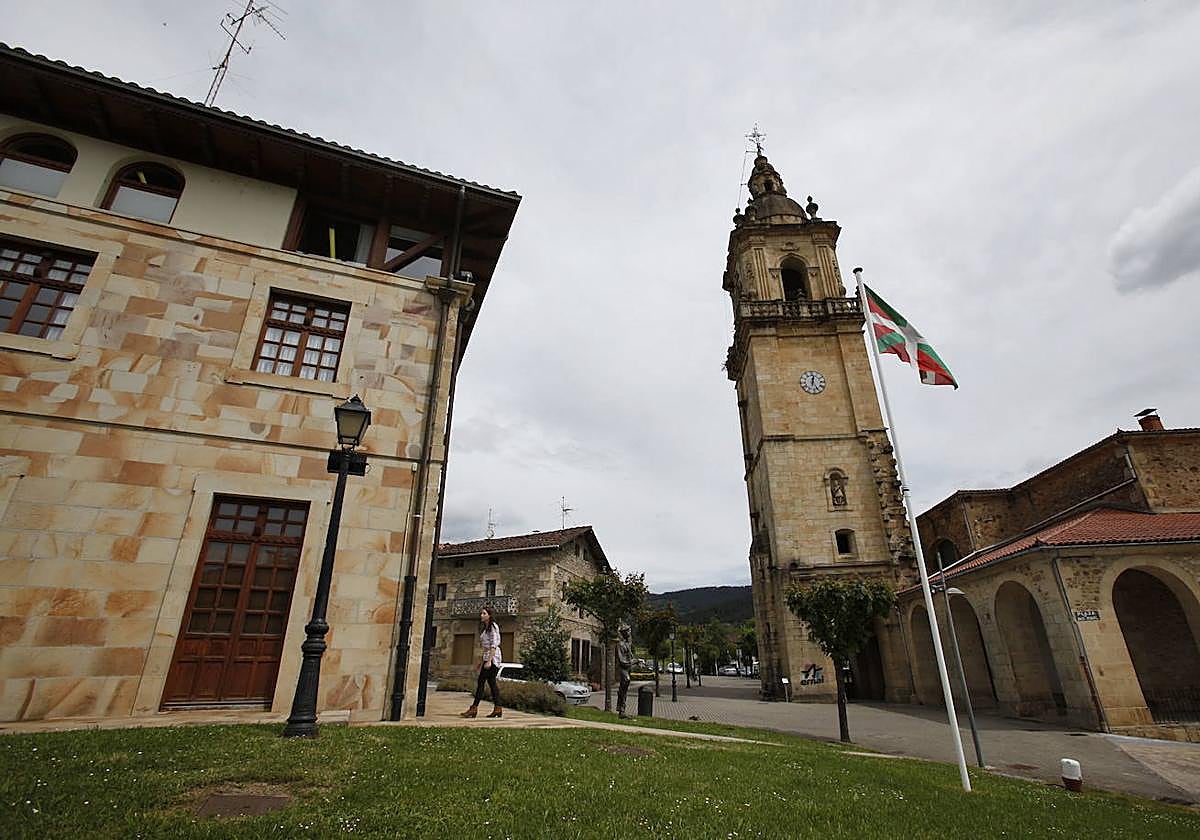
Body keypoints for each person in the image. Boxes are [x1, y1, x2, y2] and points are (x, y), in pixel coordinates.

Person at [461, 606, 502, 719]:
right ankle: (498, 708)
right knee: (492, 684)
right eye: (481, 613)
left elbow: (494, 645)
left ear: (489, 615)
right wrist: (481, 661)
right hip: (488, 657)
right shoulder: (486, 628)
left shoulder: (493, 627)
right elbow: (486, 648)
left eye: (484, 613)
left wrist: (489, 661)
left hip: (493, 658)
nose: (481, 615)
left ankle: (474, 708)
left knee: (481, 682)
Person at [616, 624, 633, 719]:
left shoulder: (627, 643)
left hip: (627, 668)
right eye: (628, 631)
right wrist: (633, 662)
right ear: (624, 633)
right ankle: (621, 710)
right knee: (626, 681)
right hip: (623, 669)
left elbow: (629, 657)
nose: (630, 633)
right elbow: (622, 660)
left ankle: (622, 710)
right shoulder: (620, 644)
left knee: (624, 689)